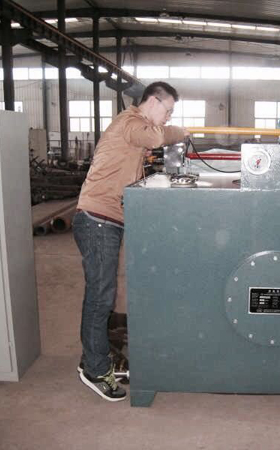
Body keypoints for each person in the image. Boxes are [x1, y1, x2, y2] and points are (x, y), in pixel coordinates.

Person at [72, 82, 189, 401]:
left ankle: (93, 356)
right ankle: (94, 370)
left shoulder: (133, 128)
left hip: (107, 220)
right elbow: (156, 137)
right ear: (153, 102)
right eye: (168, 110)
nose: (168, 117)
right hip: (97, 220)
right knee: (100, 297)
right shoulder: (130, 122)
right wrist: (181, 131)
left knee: (103, 296)